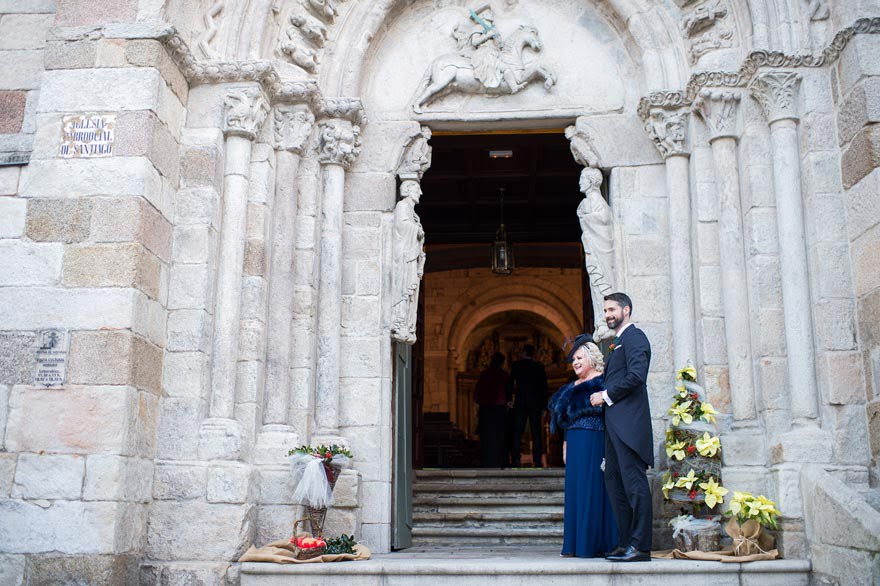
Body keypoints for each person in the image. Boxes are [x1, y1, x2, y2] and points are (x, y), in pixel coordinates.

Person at [590, 292, 654, 562]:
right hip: (615, 425)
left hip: (629, 426)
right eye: (605, 311)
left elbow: (637, 376)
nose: (607, 315)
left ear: (626, 310)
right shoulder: (618, 342)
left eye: (612, 309)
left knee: (634, 485)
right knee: (614, 483)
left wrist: (605, 395)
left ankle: (641, 547)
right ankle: (625, 542)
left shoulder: (635, 337)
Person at [549, 337, 618, 558]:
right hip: (575, 443)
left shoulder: (603, 384)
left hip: (595, 442)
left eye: (579, 358)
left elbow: (613, 419)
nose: (575, 363)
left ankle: (593, 545)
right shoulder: (571, 387)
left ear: (591, 358)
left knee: (593, 490)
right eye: (573, 360)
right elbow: (567, 420)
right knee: (576, 491)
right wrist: (566, 444)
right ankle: (575, 544)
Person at [508, 344, 549, 467]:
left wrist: (510, 399)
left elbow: (510, 383)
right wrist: (544, 406)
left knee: (517, 432)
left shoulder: (516, 365)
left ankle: (516, 460)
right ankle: (537, 460)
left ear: (524, 353)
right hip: (535, 403)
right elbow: (544, 388)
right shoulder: (539, 367)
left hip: (520, 402)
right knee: (536, 433)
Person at [473, 352, 509, 468]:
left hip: (486, 410)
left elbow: (477, 394)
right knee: (499, 438)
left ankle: (487, 462)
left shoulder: (484, 374)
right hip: (499, 410)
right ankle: (499, 462)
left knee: (487, 438)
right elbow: (508, 393)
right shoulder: (503, 375)